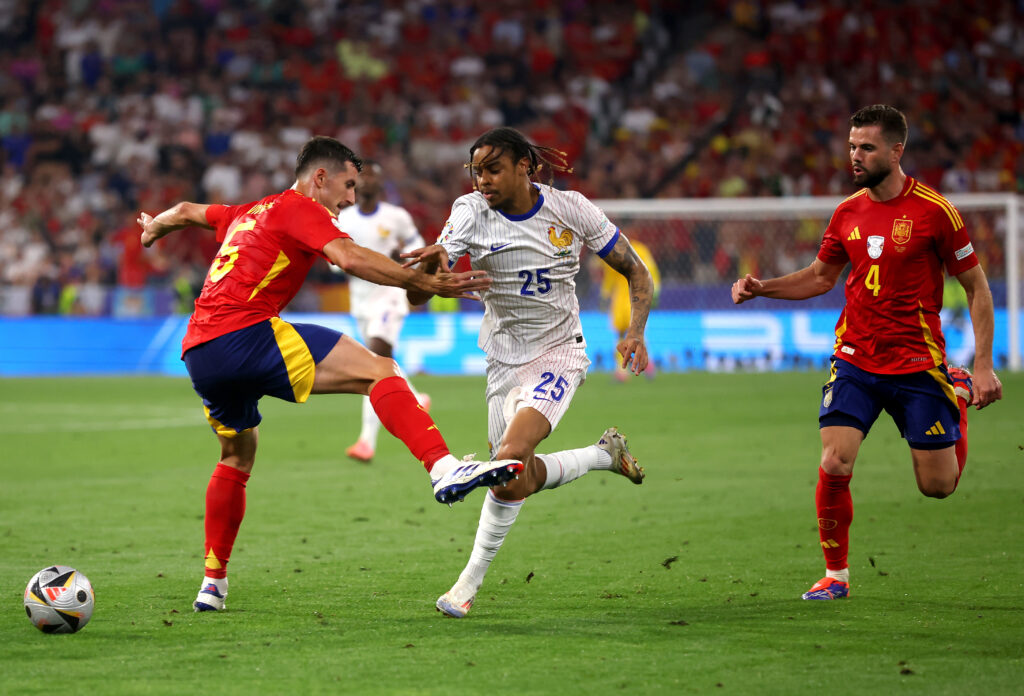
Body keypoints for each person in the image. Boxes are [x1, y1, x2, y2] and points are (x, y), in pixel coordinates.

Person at [137, 135, 524, 613]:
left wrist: (154, 228)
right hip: (245, 333)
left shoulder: (248, 210)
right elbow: (349, 257)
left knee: (237, 456)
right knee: (380, 370)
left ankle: (212, 584)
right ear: (319, 178)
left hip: (199, 349)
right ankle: (443, 468)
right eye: (347, 185)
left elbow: (186, 211)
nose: (349, 199)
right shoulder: (301, 207)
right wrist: (419, 281)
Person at [730, 105, 1003, 600]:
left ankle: (956, 394)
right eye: (852, 146)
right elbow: (819, 276)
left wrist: (982, 365)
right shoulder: (848, 211)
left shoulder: (935, 212)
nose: (855, 155)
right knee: (835, 461)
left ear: (897, 151)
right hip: (854, 358)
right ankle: (836, 576)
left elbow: (978, 290)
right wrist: (762, 287)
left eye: (867, 147)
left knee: (938, 487)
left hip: (918, 365)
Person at [401, 126, 655, 618]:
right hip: (502, 362)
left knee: (512, 454)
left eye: (492, 168)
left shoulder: (571, 209)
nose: (482, 180)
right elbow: (416, 295)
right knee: (510, 481)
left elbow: (636, 272)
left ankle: (464, 588)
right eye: (476, 170)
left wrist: (636, 331)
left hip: (559, 353)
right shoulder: (468, 212)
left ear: (525, 167)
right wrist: (427, 276)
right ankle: (603, 456)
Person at [330, 159, 431, 463]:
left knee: (373, 362)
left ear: (381, 183)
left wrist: (401, 257)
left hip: (390, 296)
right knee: (380, 363)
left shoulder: (396, 216)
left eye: (374, 175)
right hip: (360, 300)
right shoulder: (343, 220)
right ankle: (416, 397)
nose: (367, 181)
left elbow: (419, 246)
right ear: (355, 184)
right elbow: (331, 262)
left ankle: (366, 442)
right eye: (363, 177)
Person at [600, 236, 661, 380]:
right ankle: (626, 370)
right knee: (630, 333)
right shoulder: (633, 249)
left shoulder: (616, 248)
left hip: (631, 297)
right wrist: (605, 294)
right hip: (623, 299)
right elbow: (651, 271)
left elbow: (650, 271)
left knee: (631, 333)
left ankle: (636, 367)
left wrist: (604, 294)